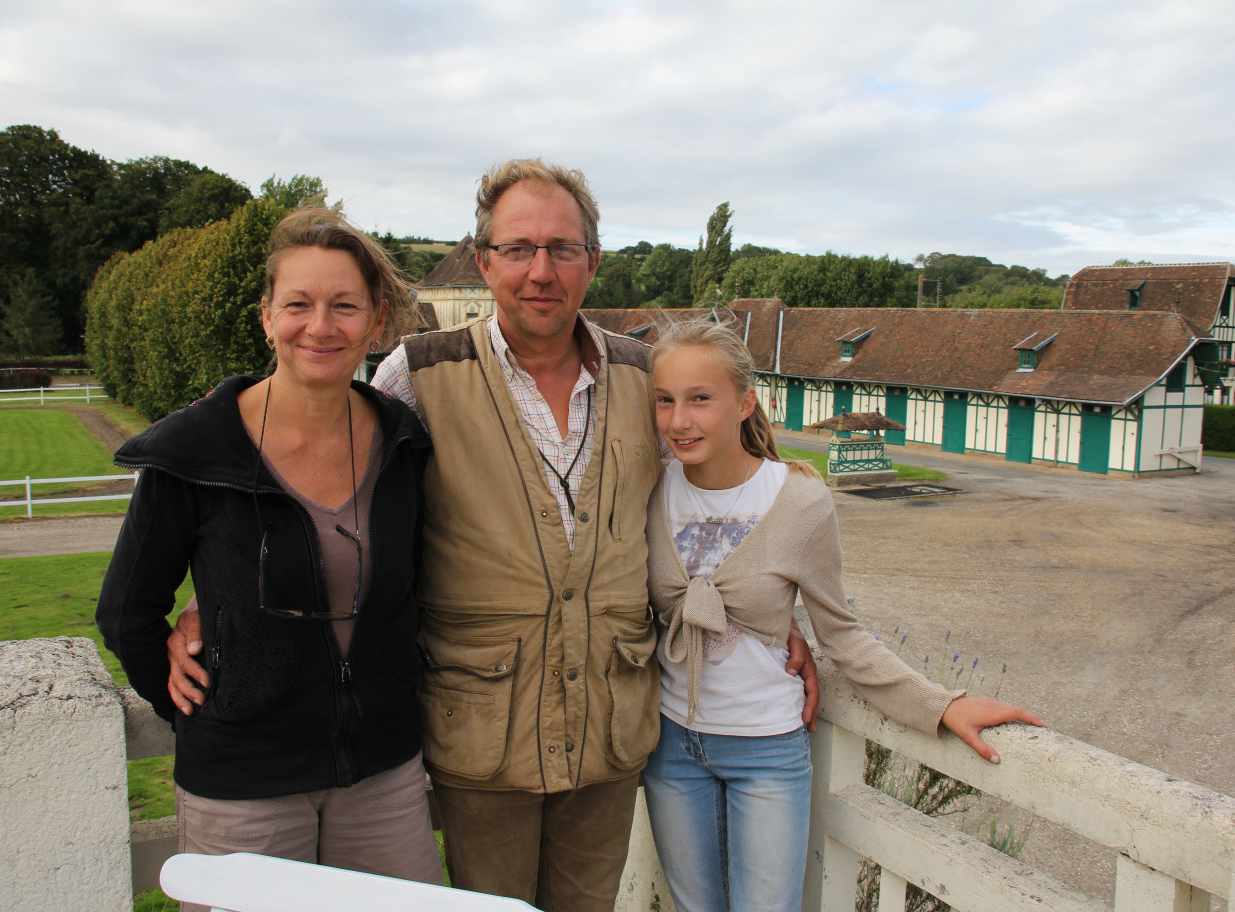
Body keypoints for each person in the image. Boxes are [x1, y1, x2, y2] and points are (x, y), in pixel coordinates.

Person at [167, 159, 817, 912]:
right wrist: (212, 600)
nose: (541, 270)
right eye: (517, 249)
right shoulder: (420, 371)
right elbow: (323, 487)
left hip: (612, 731)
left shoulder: (646, 377)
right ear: (484, 261)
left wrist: (775, 617)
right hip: (482, 734)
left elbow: (725, 491)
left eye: (562, 249)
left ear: (593, 262)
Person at [96, 208, 443, 909]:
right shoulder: (194, 452)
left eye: (344, 306)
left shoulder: (405, 441)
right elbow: (128, 611)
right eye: (298, 305)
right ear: (266, 317)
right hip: (243, 789)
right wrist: (205, 706)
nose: (321, 326)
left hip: (382, 775)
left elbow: (418, 583)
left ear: (376, 322)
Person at [642, 319, 1045, 912]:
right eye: (665, 401)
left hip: (765, 751)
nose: (680, 420)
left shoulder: (799, 501)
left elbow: (842, 633)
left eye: (701, 398)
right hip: (670, 744)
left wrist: (940, 704)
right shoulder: (649, 485)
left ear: (745, 402)